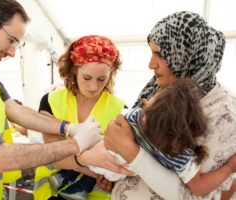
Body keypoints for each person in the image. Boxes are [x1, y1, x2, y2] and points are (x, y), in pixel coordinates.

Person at [0, 1, 128, 199]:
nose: (12, 52)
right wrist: (75, 144)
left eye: (17, 45)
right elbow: (1, 157)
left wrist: (68, 128)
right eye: (11, 40)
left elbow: (16, 110)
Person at [94, 11, 236, 200]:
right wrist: (114, 173)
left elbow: (201, 195)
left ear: (187, 56)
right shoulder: (163, 87)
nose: (151, 64)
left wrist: (129, 151)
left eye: (160, 54)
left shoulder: (224, 111)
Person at [89, 78, 236, 197]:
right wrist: (229, 167)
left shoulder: (134, 117)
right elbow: (199, 187)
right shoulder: (177, 153)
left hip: (103, 166)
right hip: (109, 170)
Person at [33, 35, 130, 200]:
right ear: (74, 69)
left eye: (101, 79)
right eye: (87, 78)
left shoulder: (122, 110)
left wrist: (110, 180)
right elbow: (53, 157)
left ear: (111, 73)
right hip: (51, 190)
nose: (94, 87)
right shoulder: (51, 101)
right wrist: (99, 171)